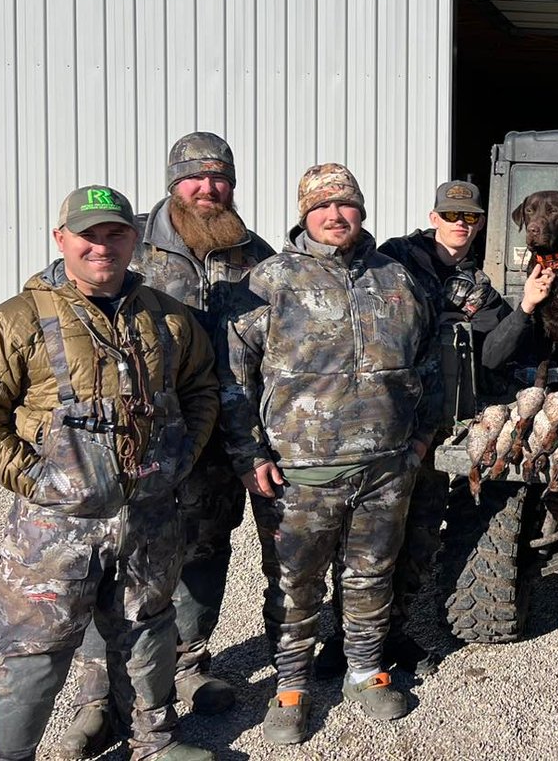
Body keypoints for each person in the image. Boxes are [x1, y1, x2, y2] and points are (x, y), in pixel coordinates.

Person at [0, 186, 219, 761]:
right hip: (55, 531)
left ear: (134, 240)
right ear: (61, 239)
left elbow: (201, 389)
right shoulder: (15, 322)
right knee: (35, 652)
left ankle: (155, 742)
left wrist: (180, 459)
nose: (101, 246)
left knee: (148, 630)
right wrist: (37, 481)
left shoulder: (169, 319)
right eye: (89, 234)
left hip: (149, 518)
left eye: (115, 233)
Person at [60, 133, 275, 759]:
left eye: (220, 180)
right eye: (195, 179)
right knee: (118, 566)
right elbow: (63, 313)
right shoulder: (127, 245)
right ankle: (98, 700)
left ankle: (188, 666)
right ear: (172, 182)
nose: (208, 191)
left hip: (216, 442)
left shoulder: (253, 255)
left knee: (204, 554)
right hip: (134, 448)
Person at [222, 163, 435, 745]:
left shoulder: (397, 277)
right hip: (299, 472)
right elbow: (234, 376)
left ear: (361, 212)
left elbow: (430, 357)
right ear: (304, 215)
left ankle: (364, 672)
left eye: (346, 206)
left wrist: (421, 435)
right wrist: (249, 453)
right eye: (322, 207)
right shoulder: (269, 281)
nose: (335, 215)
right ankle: (291, 687)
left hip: (387, 467)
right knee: (294, 580)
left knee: (371, 574)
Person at [304, 180, 511, 677]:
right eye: (452, 215)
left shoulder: (479, 281)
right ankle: (345, 637)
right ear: (433, 216)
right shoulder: (393, 261)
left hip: (434, 424)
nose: (462, 225)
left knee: (419, 534)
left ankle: (394, 629)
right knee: (362, 543)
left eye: (471, 218)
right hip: (382, 425)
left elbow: (495, 340)